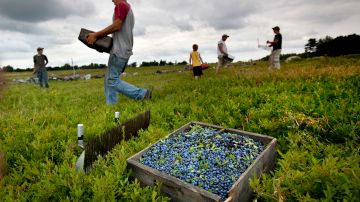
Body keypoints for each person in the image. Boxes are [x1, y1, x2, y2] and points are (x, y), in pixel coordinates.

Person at [87, 0, 151, 105]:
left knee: (112, 81)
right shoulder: (127, 7)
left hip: (120, 50)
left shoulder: (121, 5)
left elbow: (117, 26)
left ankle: (142, 94)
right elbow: (120, 33)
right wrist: (102, 45)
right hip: (123, 49)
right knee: (109, 80)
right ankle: (111, 106)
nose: (111, 0)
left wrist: (96, 35)